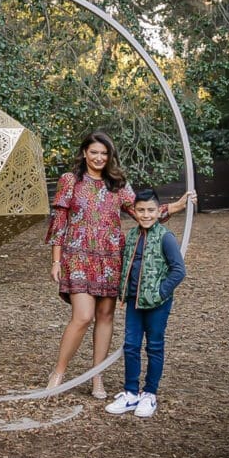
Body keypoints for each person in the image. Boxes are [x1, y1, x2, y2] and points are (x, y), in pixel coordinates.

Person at [45, 131, 193, 399]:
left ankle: (96, 377)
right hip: (78, 255)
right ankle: (58, 372)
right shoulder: (70, 180)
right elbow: (59, 221)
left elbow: (141, 211)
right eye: (94, 152)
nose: (99, 158)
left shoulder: (118, 184)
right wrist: (56, 260)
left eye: (104, 153)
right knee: (82, 317)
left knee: (105, 317)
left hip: (112, 257)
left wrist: (174, 207)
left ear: (110, 156)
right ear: (84, 153)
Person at [105, 188, 186, 417]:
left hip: (157, 304)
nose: (146, 215)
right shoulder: (131, 236)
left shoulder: (165, 237)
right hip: (133, 302)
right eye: (141, 210)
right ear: (135, 212)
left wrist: (160, 293)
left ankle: (149, 393)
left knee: (154, 346)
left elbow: (178, 270)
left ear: (159, 212)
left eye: (151, 210)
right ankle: (131, 393)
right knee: (131, 346)